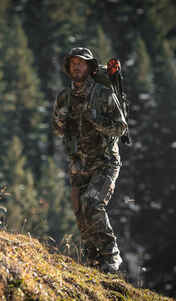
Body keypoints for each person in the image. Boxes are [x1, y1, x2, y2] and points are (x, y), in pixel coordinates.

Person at [52, 47, 128, 274]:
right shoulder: (64, 97)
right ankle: (93, 259)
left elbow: (121, 128)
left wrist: (97, 122)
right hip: (79, 163)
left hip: (105, 162)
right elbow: (57, 131)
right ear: (68, 68)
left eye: (81, 63)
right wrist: (61, 120)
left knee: (93, 204)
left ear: (90, 67)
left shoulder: (103, 94)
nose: (76, 66)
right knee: (80, 211)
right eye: (73, 63)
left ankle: (111, 254)